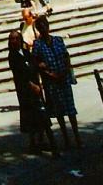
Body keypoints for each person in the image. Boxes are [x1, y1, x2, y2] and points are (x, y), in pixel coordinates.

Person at [32, 16, 81, 149]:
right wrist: (49, 74)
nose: (43, 29)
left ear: (48, 26)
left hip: (64, 77)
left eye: (44, 26)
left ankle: (77, 137)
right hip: (51, 82)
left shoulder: (58, 40)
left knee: (71, 109)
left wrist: (65, 71)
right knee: (59, 111)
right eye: (40, 27)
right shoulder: (37, 44)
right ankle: (66, 138)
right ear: (38, 29)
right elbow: (36, 62)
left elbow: (66, 56)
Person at [8, 30, 58, 156]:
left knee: (40, 115)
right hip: (26, 91)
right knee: (31, 116)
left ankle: (41, 141)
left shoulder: (25, 52)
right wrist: (32, 85)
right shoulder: (13, 56)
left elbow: (33, 64)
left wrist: (40, 66)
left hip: (35, 87)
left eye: (15, 38)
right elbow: (19, 75)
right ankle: (34, 142)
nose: (14, 41)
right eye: (11, 39)